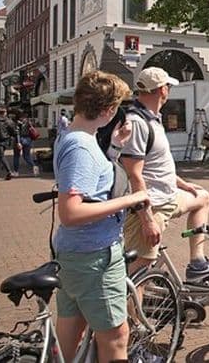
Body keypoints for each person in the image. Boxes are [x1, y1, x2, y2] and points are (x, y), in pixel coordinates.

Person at [52, 70, 149, 362]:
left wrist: (115, 147)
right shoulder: (81, 147)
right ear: (108, 110)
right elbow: (70, 212)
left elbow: (93, 181)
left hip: (76, 254)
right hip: (94, 256)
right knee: (116, 337)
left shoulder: (74, 135)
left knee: (71, 333)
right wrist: (130, 199)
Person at [120, 67, 209, 282]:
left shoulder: (153, 119)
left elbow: (157, 164)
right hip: (154, 204)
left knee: (202, 197)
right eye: (168, 86)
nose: (169, 90)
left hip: (168, 197)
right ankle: (133, 304)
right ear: (162, 90)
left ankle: (197, 265)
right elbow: (134, 175)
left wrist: (182, 183)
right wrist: (147, 220)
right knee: (139, 274)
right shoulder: (137, 123)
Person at [13, 112, 38, 176]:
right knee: (27, 156)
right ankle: (34, 167)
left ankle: (16, 172)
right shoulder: (28, 122)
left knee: (16, 156)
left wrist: (18, 142)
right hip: (28, 140)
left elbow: (17, 133)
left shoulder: (18, 124)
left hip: (20, 139)